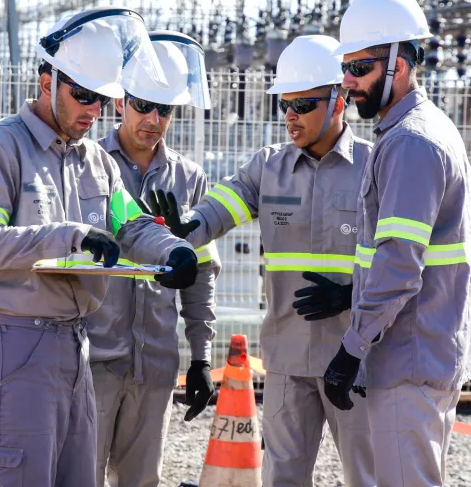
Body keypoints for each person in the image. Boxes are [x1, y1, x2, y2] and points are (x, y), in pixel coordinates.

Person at [0, 8, 198, 487]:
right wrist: (70, 235)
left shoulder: (95, 162)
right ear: (47, 82)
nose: (93, 111)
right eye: (82, 95)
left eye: (102, 99)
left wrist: (172, 250)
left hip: (73, 342)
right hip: (12, 343)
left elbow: (132, 225)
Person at [144, 35, 376, 486]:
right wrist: (186, 226)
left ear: (339, 99)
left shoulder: (375, 165)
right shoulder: (267, 167)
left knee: (368, 477)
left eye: (303, 104)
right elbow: (217, 209)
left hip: (356, 357)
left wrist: (353, 293)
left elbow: (402, 256)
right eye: (284, 105)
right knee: (282, 478)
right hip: (287, 359)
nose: (290, 116)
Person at [322, 0, 471, 486]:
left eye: (360, 68)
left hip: (408, 358)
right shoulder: (410, 133)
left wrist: (352, 347)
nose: (348, 82)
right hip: (417, 352)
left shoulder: (410, 143)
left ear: (398, 65)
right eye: (346, 68)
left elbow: (399, 264)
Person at [86, 30, 219, 487]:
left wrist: (200, 357)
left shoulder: (189, 178)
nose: (154, 119)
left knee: (142, 481)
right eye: (144, 105)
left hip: (154, 362)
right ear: (121, 100)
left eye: (165, 109)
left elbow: (200, 272)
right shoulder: (87, 164)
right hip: (93, 360)